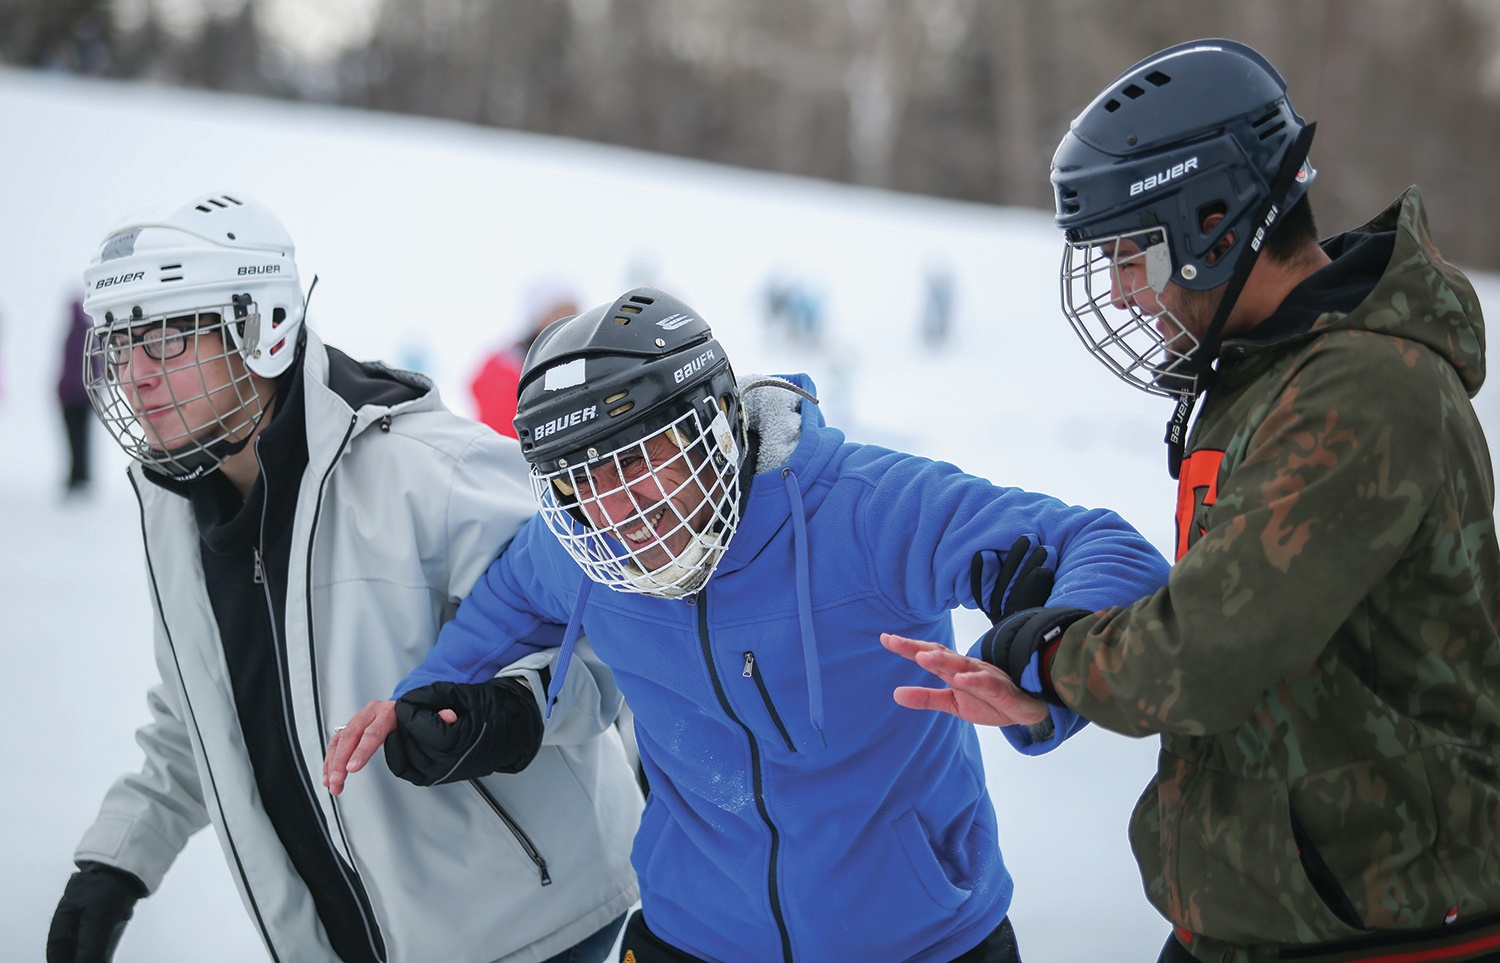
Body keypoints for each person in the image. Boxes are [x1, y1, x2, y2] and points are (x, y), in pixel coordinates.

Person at [323, 286, 1171, 963]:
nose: (618, 506)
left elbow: (1098, 545)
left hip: (921, 943)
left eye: (639, 456)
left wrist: (1050, 664)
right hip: (688, 938)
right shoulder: (583, 547)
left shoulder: (865, 513)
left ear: (714, 424)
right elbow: (511, 596)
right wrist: (424, 692)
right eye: (581, 477)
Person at [887, 38, 1500, 963]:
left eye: (1132, 253)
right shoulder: (1271, 372)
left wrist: (1054, 657)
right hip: (1268, 912)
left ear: (1214, 218)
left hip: (1382, 924)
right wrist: (1053, 684)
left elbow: (1214, 648)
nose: (1125, 294)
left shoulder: (1360, 389)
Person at [46, 193, 641, 963]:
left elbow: (610, 634)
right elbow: (202, 710)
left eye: (164, 342)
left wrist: (507, 712)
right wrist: (119, 859)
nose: (135, 377)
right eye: (122, 346)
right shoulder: (173, 509)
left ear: (260, 327)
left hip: (536, 935)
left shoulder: (427, 473)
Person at [470, 279, 581, 437]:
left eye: (574, 312)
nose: (569, 320)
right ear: (538, 318)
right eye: (559, 313)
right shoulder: (505, 371)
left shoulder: (577, 362)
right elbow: (502, 436)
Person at [57, 295, 94, 495]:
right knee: (73, 438)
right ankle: (76, 476)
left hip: (80, 397)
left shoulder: (83, 332)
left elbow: (94, 364)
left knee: (80, 438)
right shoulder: (74, 332)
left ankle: (81, 477)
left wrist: (94, 390)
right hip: (70, 396)